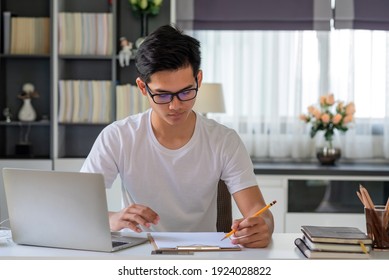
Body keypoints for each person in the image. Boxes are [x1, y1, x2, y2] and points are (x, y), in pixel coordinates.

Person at [81, 24, 274, 248]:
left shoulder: (224, 140)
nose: (175, 106)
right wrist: (112, 219)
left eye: (186, 92)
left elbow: (259, 211)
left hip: (203, 254)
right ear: (143, 88)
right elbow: (79, 207)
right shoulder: (118, 136)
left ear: (199, 80)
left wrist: (263, 226)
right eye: (162, 95)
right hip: (139, 252)